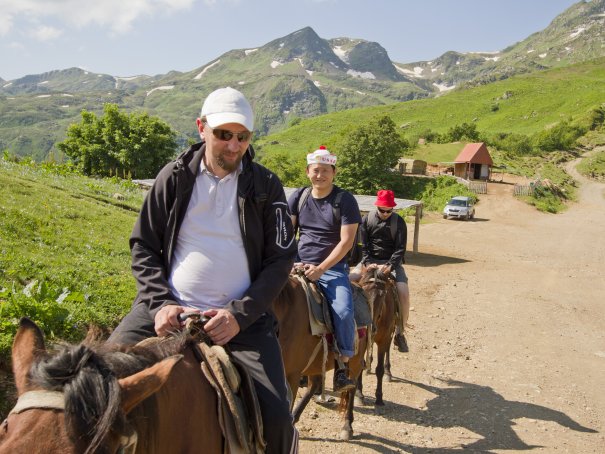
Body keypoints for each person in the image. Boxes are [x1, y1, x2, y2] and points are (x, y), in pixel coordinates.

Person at [109, 87, 298, 453]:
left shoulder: (265, 185)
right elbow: (144, 245)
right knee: (94, 381)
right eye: (223, 135)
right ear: (201, 128)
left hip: (241, 319)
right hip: (166, 311)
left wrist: (239, 315)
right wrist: (161, 302)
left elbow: (280, 259)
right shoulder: (174, 177)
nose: (233, 146)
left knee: (277, 418)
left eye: (241, 137)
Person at [287, 146, 362, 392]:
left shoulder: (345, 200)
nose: (320, 175)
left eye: (325, 171)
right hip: (297, 264)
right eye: (315, 170)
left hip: (331, 268)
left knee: (342, 309)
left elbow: (346, 241)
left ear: (334, 172)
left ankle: (342, 364)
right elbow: (288, 233)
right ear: (308, 172)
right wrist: (291, 260)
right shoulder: (299, 197)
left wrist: (321, 268)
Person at [351, 189, 411, 352]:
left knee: (403, 292)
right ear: (377, 206)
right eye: (382, 210)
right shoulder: (366, 220)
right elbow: (363, 246)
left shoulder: (399, 223)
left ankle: (400, 332)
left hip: (391, 263)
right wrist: (368, 262)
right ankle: (348, 324)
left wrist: (390, 265)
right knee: (349, 278)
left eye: (389, 210)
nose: (385, 213)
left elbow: (400, 248)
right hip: (369, 262)